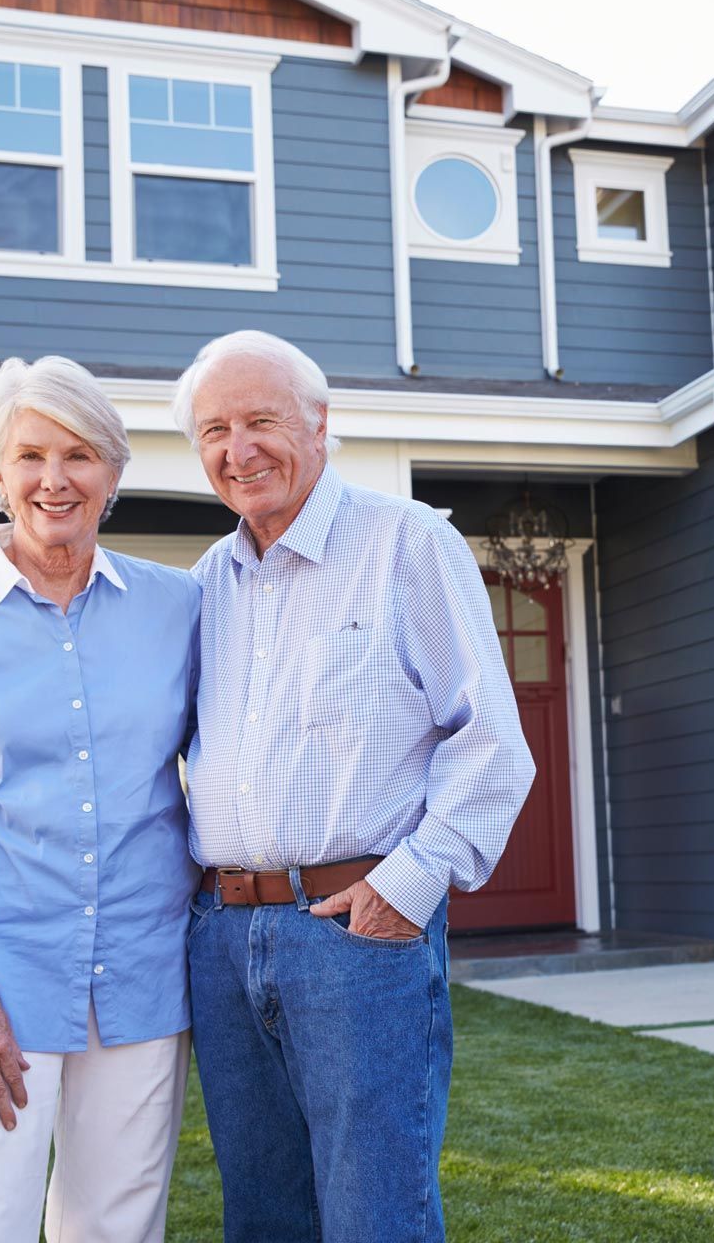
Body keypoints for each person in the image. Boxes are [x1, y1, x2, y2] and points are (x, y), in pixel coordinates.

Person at [177, 329, 535, 1242]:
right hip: (224, 940)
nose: (238, 448)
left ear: (321, 423)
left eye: (261, 420)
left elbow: (492, 739)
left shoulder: (407, 544)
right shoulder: (205, 585)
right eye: (215, 429)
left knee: (377, 1215)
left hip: (355, 933)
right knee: (262, 1216)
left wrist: (409, 888)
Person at [0, 356, 201, 1243]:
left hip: (141, 977)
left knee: (120, 1228)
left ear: (115, 474)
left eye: (81, 454)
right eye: (31, 456)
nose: (56, 479)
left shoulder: (180, 608)